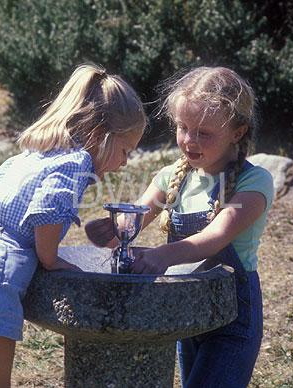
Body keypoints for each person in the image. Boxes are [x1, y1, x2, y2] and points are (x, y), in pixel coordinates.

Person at [0, 64, 146, 388]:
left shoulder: (37, 154)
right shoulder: (75, 163)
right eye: (125, 151)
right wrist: (53, 260)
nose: (124, 162)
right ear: (101, 136)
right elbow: (47, 212)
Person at [86, 66, 273, 388]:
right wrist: (112, 231)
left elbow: (215, 237)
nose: (189, 140)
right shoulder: (172, 176)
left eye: (204, 132)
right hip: (185, 312)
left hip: (233, 320)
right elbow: (135, 219)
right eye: (183, 127)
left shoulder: (253, 182)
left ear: (237, 132)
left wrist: (164, 255)